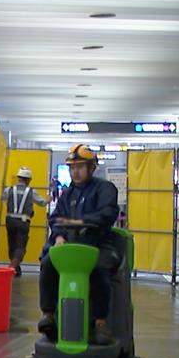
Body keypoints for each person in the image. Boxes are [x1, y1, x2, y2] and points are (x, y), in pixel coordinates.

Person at [37, 145, 121, 346]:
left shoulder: (104, 189)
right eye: (72, 167)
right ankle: (49, 315)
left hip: (97, 245)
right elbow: (56, 218)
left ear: (91, 168)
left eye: (80, 167)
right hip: (69, 246)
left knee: (99, 269)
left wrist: (81, 222)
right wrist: (58, 236)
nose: (75, 171)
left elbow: (107, 214)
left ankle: (100, 322)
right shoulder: (67, 194)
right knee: (48, 263)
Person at [0, 166, 47, 276]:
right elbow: (42, 203)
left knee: (12, 244)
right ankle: (11, 269)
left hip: (10, 220)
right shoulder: (31, 191)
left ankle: (16, 269)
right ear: (28, 180)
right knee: (21, 246)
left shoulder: (9, 189)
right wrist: (48, 200)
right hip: (23, 222)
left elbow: (2, 198)